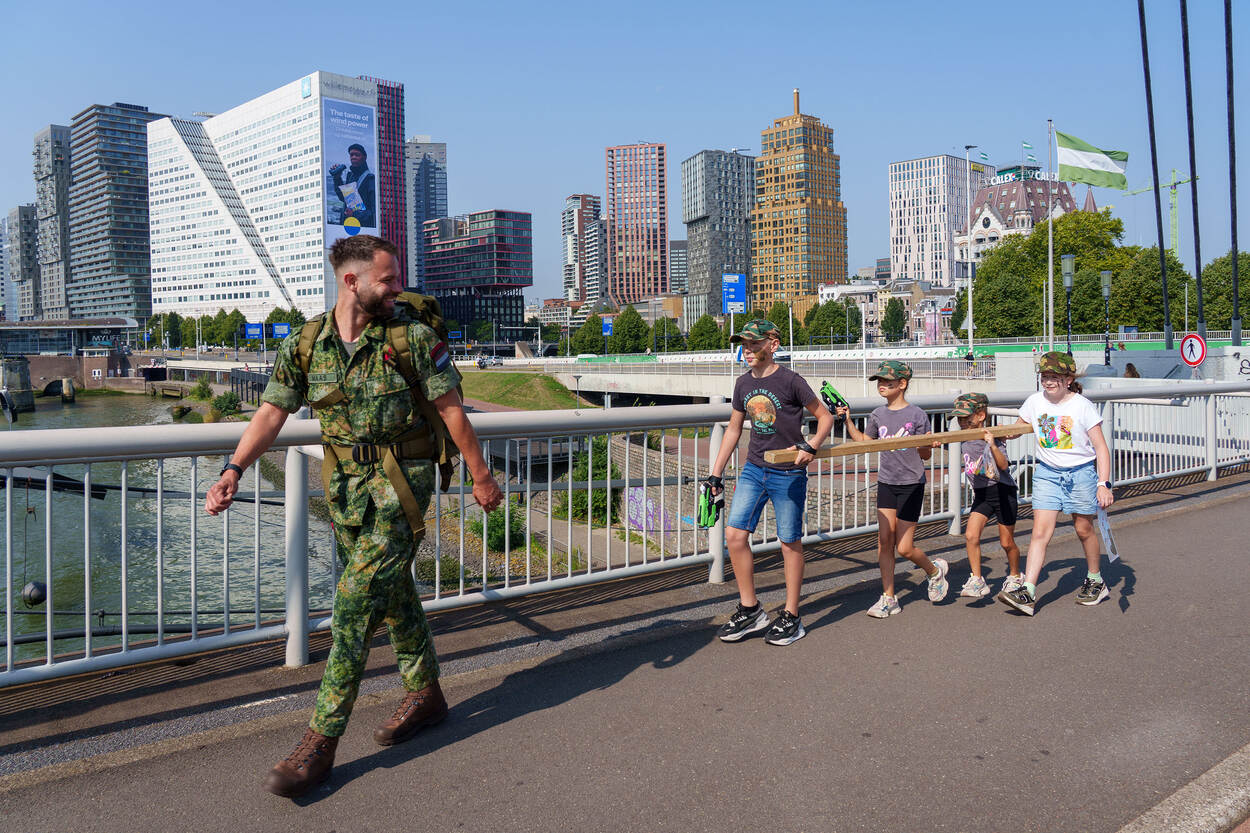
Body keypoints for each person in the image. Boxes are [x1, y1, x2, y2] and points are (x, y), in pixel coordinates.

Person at [205, 235, 503, 797]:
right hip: (344, 491)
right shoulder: (306, 343)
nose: (398, 289)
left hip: (400, 485)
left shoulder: (412, 338)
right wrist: (234, 469)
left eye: (396, 279)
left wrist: (481, 475)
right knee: (392, 596)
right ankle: (427, 695)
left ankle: (319, 742)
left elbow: (451, 411)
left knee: (352, 607)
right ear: (352, 282)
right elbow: (271, 412)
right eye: (388, 280)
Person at [708, 319, 833, 646]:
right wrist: (715, 473)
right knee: (734, 536)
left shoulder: (791, 381)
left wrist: (811, 446)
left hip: (788, 470)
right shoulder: (742, 384)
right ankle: (751, 609)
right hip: (754, 468)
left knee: (789, 541)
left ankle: (792, 616)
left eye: (753, 344)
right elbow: (734, 430)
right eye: (744, 345)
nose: (747, 350)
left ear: (773, 344)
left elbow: (825, 417)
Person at [997, 351, 1113, 616]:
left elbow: (1101, 449)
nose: (1048, 382)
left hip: (1081, 474)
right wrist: (997, 433)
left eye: (1054, 377)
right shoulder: (1034, 402)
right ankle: (1028, 590)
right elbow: (1018, 427)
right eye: (1045, 376)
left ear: (1069, 379)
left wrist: (1103, 484)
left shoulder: (1082, 405)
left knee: (1083, 529)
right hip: (1047, 474)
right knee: (1040, 533)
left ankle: (1095, 579)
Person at [835, 360, 949, 617]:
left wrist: (928, 446)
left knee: (904, 548)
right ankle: (888, 597)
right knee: (884, 542)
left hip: (911, 484)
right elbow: (867, 442)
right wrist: (848, 422)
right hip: (887, 481)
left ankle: (934, 570)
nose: (882, 386)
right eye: (880, 382)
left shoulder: (917, 414)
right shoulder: (877, 414)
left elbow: (925, 456)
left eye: (888, 382)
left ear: (902, 384)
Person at [949, 393, 1022, 599]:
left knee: (1007, 542)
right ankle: (977, 579)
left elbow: (1004, 465)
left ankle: (1015, 575)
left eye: (966, 417)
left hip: (1002, 491)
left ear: (981, 415)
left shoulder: (992, 435)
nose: (962, 422)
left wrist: (991, 443)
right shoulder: (962, 436)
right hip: (982, 494)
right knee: (971, 535)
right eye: (959, 419)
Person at [328, 143, 376, 228]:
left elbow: (374, 212)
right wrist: (337, 177)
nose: (353, 157)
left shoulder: (370, 179)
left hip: (364, 230)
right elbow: (344, 199)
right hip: (349, 227)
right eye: (351, 155)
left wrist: (354, 214)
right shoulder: (351, 177)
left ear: (364, 157)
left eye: (357, 155)